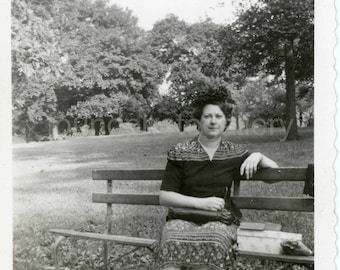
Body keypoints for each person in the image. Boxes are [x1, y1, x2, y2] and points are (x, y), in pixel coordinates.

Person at [157, 98, 278, 270]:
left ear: (226, 122)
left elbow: (274, 175)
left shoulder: (234, 152)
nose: (213, 121)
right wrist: (202, 203)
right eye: (207, 116)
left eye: (218, 116)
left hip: (221, 220)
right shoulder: (180, 152)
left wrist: (258, 156)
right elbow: (165, 197)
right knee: (171, 239)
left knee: (214, 239)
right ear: (198, 121)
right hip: (183, 217)